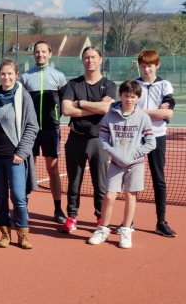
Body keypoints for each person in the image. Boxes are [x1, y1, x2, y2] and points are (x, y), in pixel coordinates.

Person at [88, 80, 155, 248]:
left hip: (136, 164)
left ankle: (126, 231)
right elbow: (103, 139)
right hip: (116, 164)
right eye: (126, 96)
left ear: (138, 98)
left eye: (133, 97)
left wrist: (134, 155)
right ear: (120, 95)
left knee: (130, 196)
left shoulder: (143, 118)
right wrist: (114, 154)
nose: (129, 100)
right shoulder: (109, 116)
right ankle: (103, 229)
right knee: (109, 196)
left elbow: (151, 143)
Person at [60, 46, 117, 233]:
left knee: (100, 183)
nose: (90, 60)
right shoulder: (73, 85)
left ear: (100, 59)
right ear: (82, 60)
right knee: (74, 182)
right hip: (75, 139)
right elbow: (66, 110)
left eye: (93, 57)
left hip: (99, 140)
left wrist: (81, 104)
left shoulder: (108, 85)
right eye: (86, 57)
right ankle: (72, 217)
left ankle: (100, 218)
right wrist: (97, 107)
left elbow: (107, 109)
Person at [0, 59, 38, 249]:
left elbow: (32, 126)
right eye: (3, 74)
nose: (6, 77)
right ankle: (4, 233)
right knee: (0, 197)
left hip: (15, 157)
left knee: (18, 197)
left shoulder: (23, 96)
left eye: (10, 74)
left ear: (16, 74)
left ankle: (22, 234)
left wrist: (21, 152)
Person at [19, 41, 67, 224]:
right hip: (29, 131)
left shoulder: (59, 77)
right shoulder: (24, 78)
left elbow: (64, 102)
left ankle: (57, 209)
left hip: (50, 131)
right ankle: (23, 208)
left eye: (43, 51)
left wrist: (56, 117)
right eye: (37, 52)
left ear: (50, 53)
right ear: (33, 54)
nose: (40, 54)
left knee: (53, 170)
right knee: (26, 171)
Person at [135, 50, 177, 237]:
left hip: (157, 137)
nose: (146, 69)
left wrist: (142, 111)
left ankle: (161, 221)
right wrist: (155, 112)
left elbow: (168, 113)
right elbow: (131, 110)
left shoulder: (165, 85)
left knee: (158, 179)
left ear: (157, 65)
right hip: (137, 136)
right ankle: (128, 222)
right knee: (132, 178)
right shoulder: (134, 85)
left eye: (149, 66)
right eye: (143, 66)